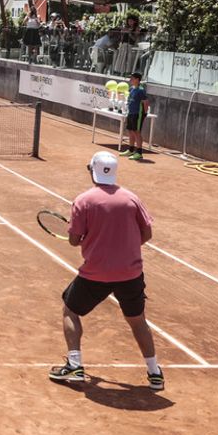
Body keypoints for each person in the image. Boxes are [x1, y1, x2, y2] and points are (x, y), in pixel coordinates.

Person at [50, 151, 164, 392]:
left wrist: (94, 243)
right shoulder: (132, 199)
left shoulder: (83, 201)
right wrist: (123, 250)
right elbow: (147, 234)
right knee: (137, 321)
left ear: (92, 172)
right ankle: (154, 373)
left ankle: (75, 365)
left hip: (95, 274)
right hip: (130, 274)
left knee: (70, 310)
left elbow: (73, 240)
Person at [122, 72, 149, 159]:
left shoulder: (141, 90)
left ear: (137, 80)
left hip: (138, 114)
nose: (130, 80)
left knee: (136, 132)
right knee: (130, 131)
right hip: (130, 113)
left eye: (132, 78)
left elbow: (146, 102)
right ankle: (131, 150)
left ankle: (139, 152)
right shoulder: (131, 89)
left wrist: (144, 113)